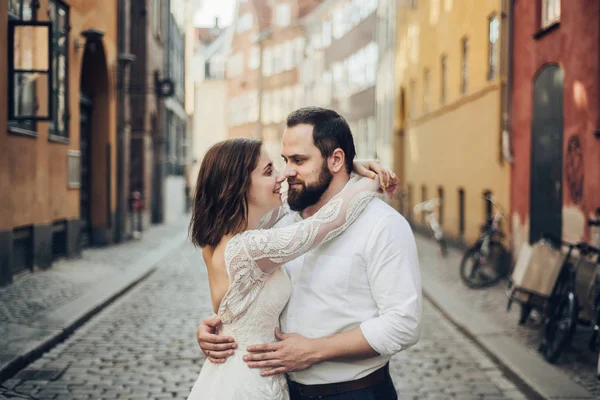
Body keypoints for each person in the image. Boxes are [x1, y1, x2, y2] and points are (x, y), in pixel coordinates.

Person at [196, 107, 422, 400]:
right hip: (280, 390)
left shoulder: (383, 225)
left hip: (354, 393)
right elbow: (245, 288)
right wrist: (223, 327)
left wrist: (315, 351)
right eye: (283, 161)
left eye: (299, 160)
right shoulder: (278, 221)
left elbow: (404, 324)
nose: (287, 172)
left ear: (336, 159)